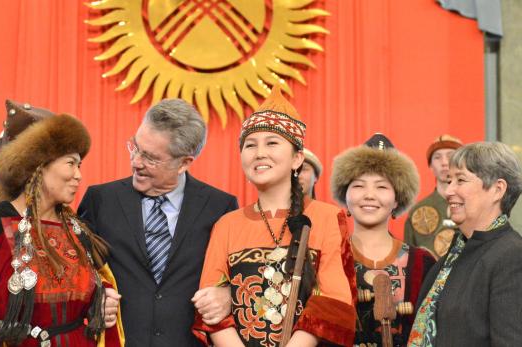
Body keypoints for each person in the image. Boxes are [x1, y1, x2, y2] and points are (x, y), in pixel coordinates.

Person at [193, 86, 355, 346]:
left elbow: (333, 301)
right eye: (250, 145)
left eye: (272, 143)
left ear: (297, 159)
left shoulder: (326, 217)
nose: (259, 153)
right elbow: (210, 310)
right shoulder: (227, 224)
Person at [78, 99, 238, 347]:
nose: (136, 162)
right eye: (135, 148)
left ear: (184, 162)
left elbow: (237, 278)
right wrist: (93, 295)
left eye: (151, 158)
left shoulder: (220, 207)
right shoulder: (100, 200)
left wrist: (228, 294)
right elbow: (75, 268)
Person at [0, 114, 124, 346]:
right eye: (70, 163)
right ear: (39, 165)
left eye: (80, 165)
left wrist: (104, 300)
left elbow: (102, 285)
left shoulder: (79, 231)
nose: (78, 175)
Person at [408, 142, 522, 346]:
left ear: (498, 189)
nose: (449, 191)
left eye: (460, 180)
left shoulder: (512, 256)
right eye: (449, 180)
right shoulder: (455, 254)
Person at [331, 133, 436, 346]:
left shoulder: (422, 263)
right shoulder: (328, 257)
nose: (369, 195)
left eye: (381, 187)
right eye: (359, 185)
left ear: (397, 199)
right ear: (346, 195)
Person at [404, 135, 462, 258]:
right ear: (430, 166)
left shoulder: (475, 206)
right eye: (437, 157)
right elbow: (408, 260)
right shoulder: (418, 212)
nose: (444, 162)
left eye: (450, 156)